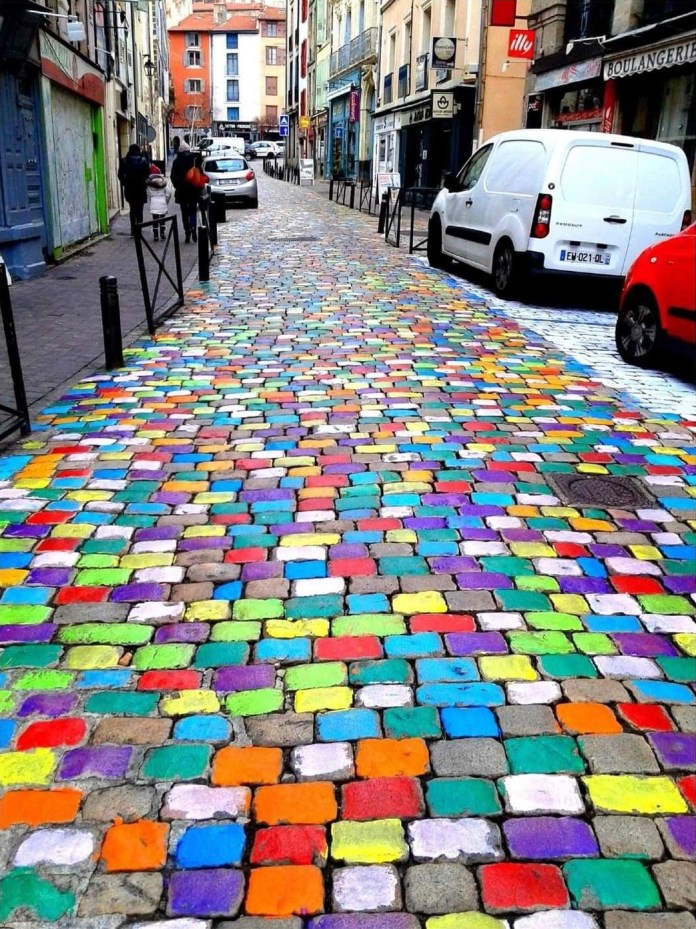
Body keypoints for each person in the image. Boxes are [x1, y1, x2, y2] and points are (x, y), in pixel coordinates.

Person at [170, 141, 207, 243]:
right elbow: (200, 174)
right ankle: (193, 229)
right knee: (192, 211)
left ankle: (187, 233)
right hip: (193, 191)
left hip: (182, 191)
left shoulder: (177, 161)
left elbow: (172, 177)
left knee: (184, 213)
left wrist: (177, 186)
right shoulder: (194, 160)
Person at [117, 143, 150, 235]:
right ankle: (139, 229)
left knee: (132, 209)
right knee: (140, 210)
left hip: (129, 188)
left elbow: (120, 174)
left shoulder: (124, 161)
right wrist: (144, 183)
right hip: (140, 189)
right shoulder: (143, 160)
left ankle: (133, 228)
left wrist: (124, 183)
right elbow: (147, 174)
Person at [145, 164, 173, 241]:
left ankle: (156, 235)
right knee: (162, 219)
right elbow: (168, 193)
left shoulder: (150, 184)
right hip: (162, 201)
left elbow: (149, 194)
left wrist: (151, 201)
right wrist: (166, 201)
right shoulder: (164, 182)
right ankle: (162, 233)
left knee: (155, 220)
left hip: (154, 202)